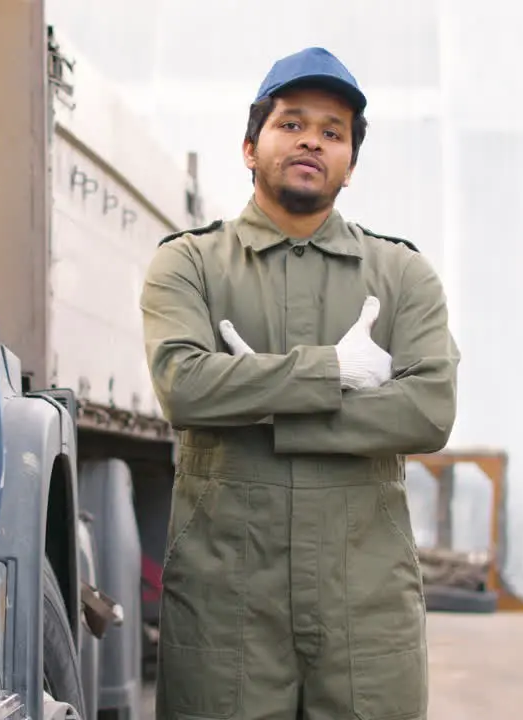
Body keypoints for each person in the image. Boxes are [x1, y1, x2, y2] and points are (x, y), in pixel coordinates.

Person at [140, 46, 459, 720]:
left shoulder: (402, 275)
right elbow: (185, 387)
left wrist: (261, 401)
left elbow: (428, 411)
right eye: (292, 123)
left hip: (365, 608)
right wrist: (332, 374)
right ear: (250, 147)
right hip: (228, 607)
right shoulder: (189, 264)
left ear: (350, 163)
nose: (312, 139)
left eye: (333, 131)